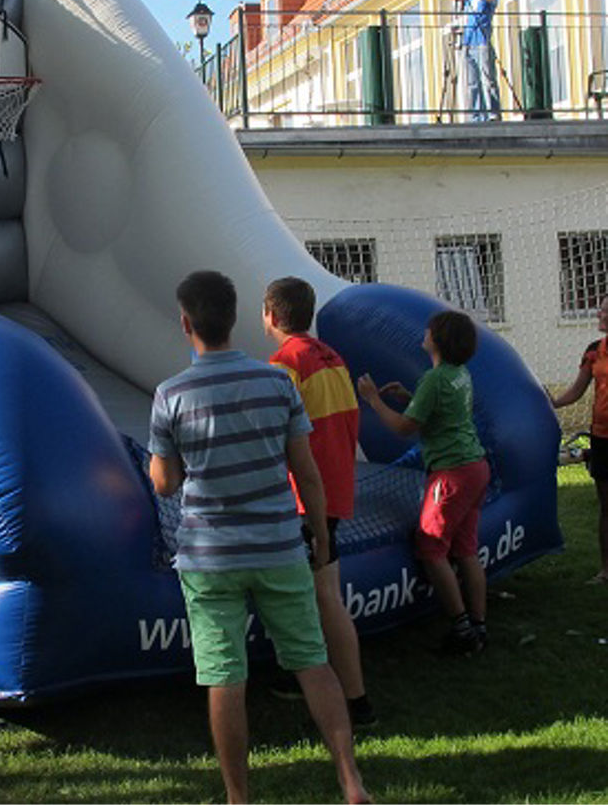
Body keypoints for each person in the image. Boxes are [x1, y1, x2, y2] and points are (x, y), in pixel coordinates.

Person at [149, 271, 369, 805]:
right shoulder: (275, 384)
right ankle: (350, 780)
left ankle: (238, 797)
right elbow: (308, 473)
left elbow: (164, 482)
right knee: (312, 662)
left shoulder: (171, 394)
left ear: (186, 323)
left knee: (225, 677)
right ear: (237, 317)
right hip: (278, 545)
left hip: (210, 555)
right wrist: (318, 535)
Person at [262, 277, 375, 728]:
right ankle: (308, 673)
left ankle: (357, 701)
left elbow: (275, 436)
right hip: (332, 491)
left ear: (270, 315)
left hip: (306, 497)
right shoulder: (333, 358)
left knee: (325, 596)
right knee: (315, 592)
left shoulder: (284, 364)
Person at [355, 310, 490, 656]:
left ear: (439, 339)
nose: (425, 331)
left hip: (452, 473)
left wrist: (374, 399)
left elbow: (404, 428)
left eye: (430, 329)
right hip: (475, 466)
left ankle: (461, 627)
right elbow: (439, 410)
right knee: (465, 549)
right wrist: (407, 397)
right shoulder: (457, 374)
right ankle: (478, 624)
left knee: (431, 549)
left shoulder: (435, 380)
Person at [549, 296, 608, 584]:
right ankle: (606, 570)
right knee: (606, 505)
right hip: (601, 437)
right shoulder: (594, 351)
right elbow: (577, 390)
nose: (600, 313)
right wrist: (553, 403)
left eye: (605, 310)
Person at [452, 0, 501, 122]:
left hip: (482, 41)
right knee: (472, 82)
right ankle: (477, 115)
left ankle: (494, 113)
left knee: (488, 79)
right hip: (468, 42)